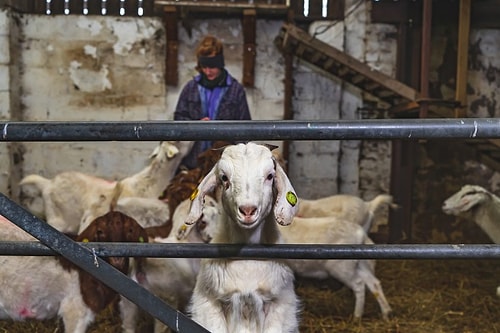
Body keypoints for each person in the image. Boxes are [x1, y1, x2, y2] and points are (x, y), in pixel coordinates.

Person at [174, 35, 251, 170]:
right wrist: (195, 126)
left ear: (220, 63)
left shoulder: (235, 90)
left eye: (212, 67)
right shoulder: (190, 88)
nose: (207, 71)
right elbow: (178, 119)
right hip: (192, 165)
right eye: (204, 67)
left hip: (225, 166)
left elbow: (245, 130)